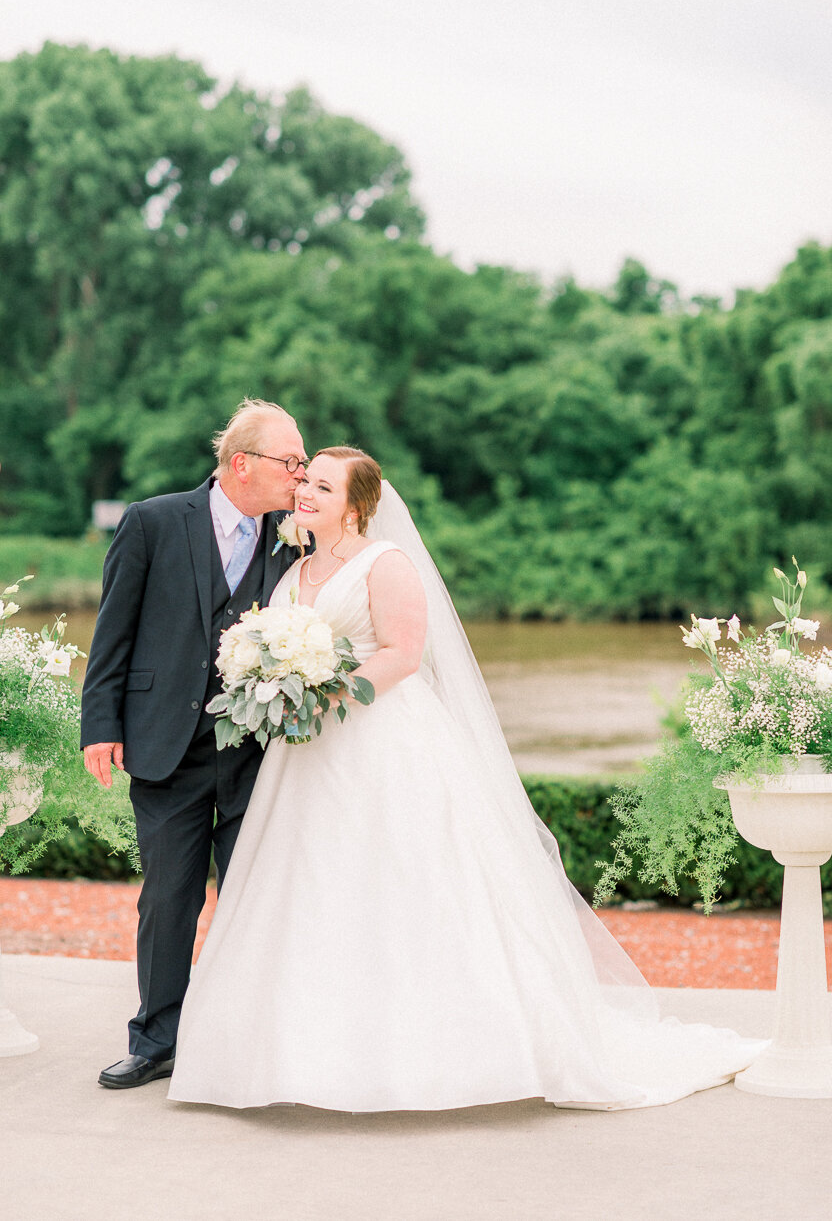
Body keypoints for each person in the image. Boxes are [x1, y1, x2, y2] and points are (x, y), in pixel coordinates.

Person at [168, 446, 764, 1112]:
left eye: (322, 487)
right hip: (305, 756)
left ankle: (439, 1054)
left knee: (403, 883)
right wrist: (273, 679)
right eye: (304, 482)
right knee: (308, 883)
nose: (304, 493)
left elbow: (402, 654)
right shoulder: (294, 569)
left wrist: (327, 695)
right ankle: (294, 1056)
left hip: (378, 741)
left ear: (357, 506)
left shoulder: (385, 565)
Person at [81, 398, 308, 1089]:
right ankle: (156, 1040)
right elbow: (112, 631)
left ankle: (246, 1039)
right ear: (243, 464)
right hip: (164, 742)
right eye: (290, 461)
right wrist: (102, 724)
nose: (301, 473)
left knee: (254, 897)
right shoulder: (152, 521)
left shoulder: (296, 538)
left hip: (259, 754)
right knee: (170, 898)